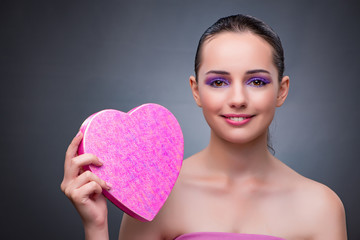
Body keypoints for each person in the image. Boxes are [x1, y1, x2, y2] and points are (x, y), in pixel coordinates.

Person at [61, 14, 347, 240]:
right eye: (218, 82)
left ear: (281, 91)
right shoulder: (156, 194)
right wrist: (96, 228)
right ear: (196, 90)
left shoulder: (321, 206)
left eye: (257, 82)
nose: (237, 99)